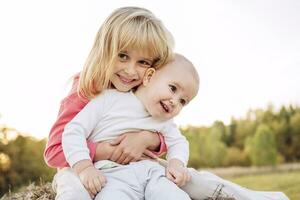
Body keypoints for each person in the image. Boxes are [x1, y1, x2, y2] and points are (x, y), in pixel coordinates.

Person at [45, 6, 289, 200]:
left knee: (192, 179)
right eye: (122, 56)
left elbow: (165, 131)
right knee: (75, 193)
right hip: (78, 168)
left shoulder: (139, 90)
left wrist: (148, 139)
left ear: (152, 71)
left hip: (136, 166)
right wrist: (106, 152)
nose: (131, 71)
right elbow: (55, 150)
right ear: (104, 50)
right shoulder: (85, 89)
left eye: (143, 63)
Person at [62, 54, 198, 199]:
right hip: (111, 175)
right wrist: (84, 168)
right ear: (149, 76)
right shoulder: (108, 99)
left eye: (183, 101)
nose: (174, 102)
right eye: (173, 88)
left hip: (152, 174)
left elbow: (178, 142)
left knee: (175, 196)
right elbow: (73, 131)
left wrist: (176, 164)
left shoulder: (164, 121)